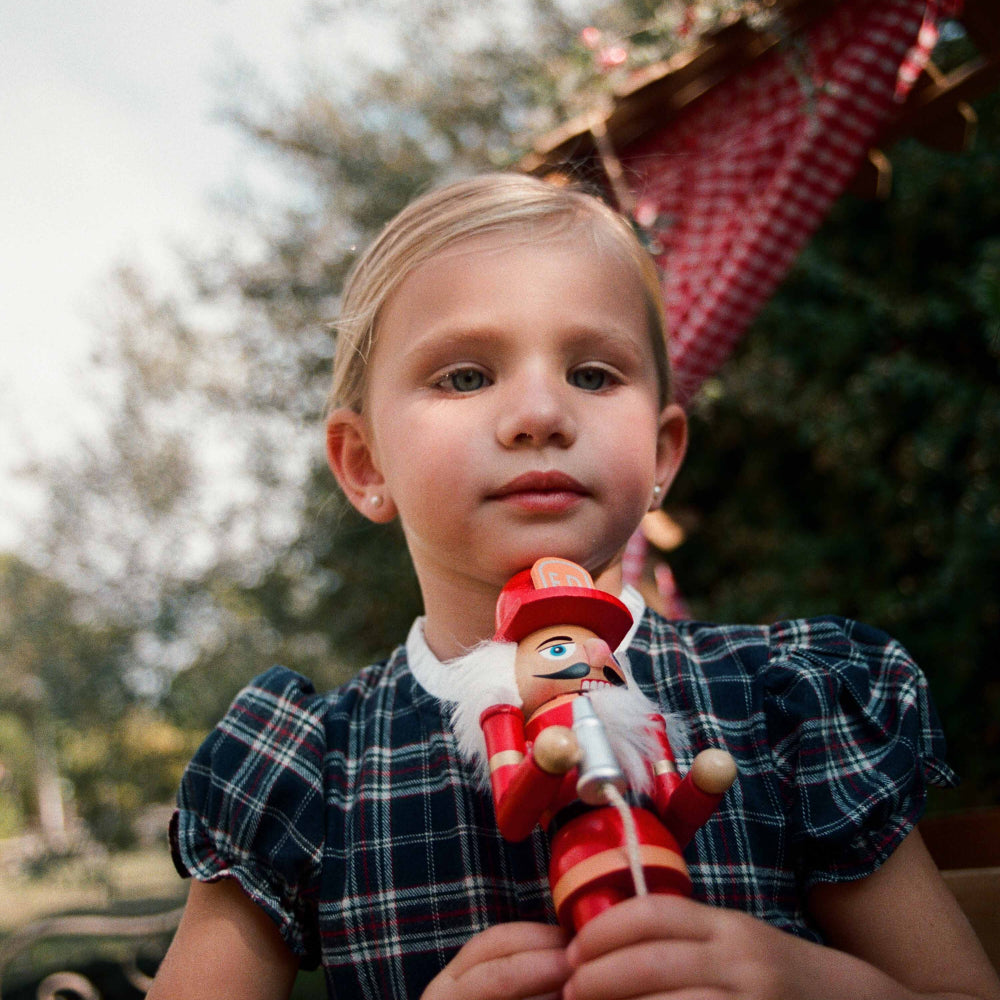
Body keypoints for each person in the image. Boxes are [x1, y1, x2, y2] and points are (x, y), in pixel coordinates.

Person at [149, 173, 1000, 1000]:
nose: (541, 413)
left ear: (663, 453)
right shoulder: (307, 771)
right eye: (465, 375)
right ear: (366, 464)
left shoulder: (787, 704)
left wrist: (806, 984)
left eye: (592, 374)